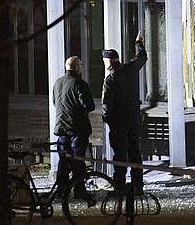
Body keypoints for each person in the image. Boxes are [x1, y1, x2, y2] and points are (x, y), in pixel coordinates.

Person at [101, 30, 148, 194]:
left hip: (118, 123)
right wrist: (138, 44)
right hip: (133, 119)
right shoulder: (130, 69)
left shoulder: (111, 79)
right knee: (135, 151)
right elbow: (142, 58)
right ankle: (138, 185)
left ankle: (119, 186)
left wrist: (107, 119)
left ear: (108, 62)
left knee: (120, 155)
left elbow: (107, 103)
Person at [53, 55, 96, 203]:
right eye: (81, 66)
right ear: (77, 68)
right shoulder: (79, 83)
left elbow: (54, 102)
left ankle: (60, 190)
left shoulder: (57, 82)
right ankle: (79, 190)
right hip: (77, 128)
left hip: (61, 128)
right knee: (78, 159)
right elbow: (89, 106)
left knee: (63, 160)